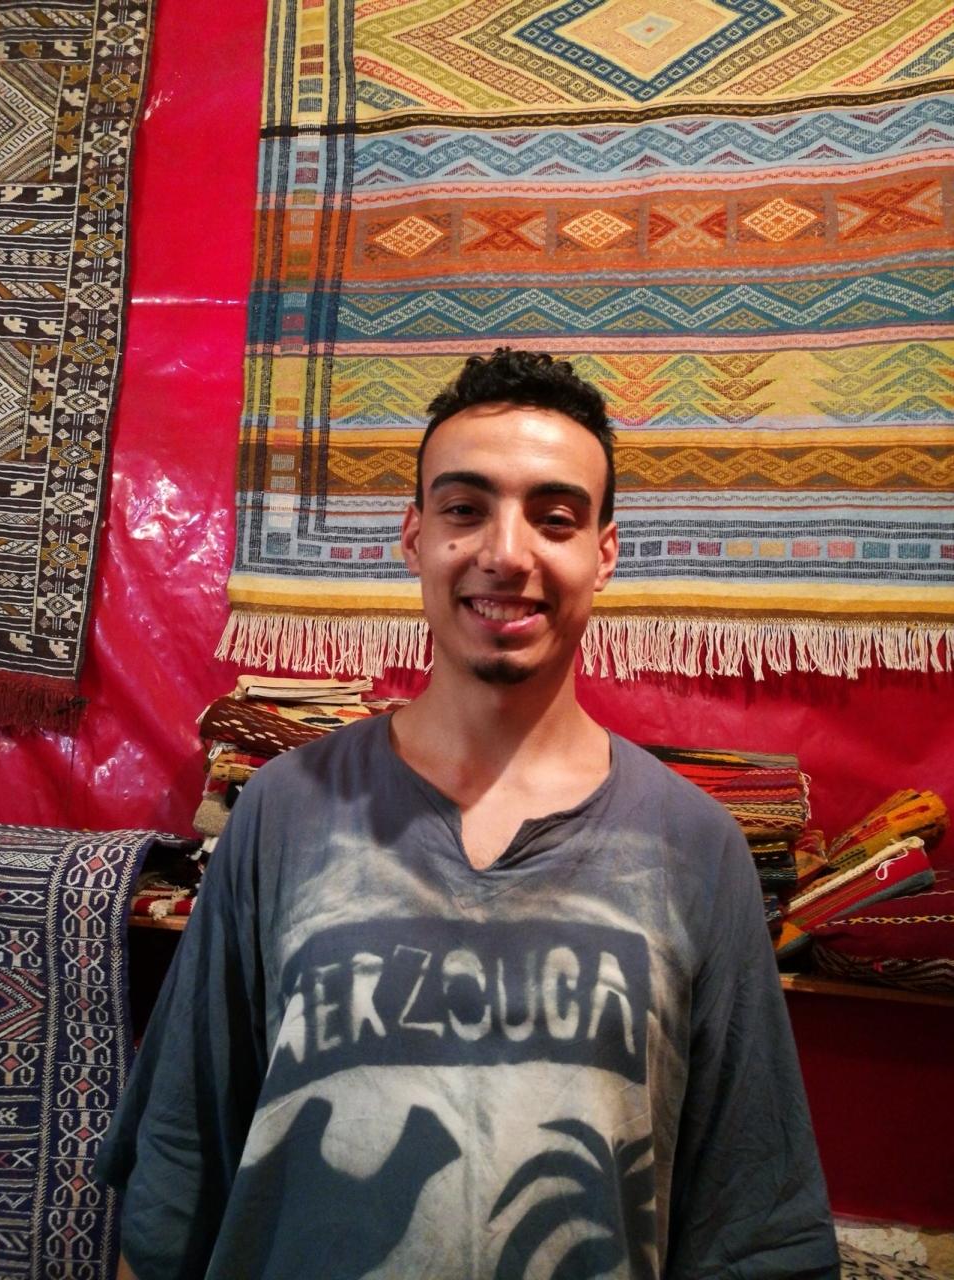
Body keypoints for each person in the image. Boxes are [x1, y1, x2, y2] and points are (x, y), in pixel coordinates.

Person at [98, 349, 839, 1279]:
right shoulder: (285, 811)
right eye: (463, 510)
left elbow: (751, 1226)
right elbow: (177, 1176)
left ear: (603, 554)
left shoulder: (692, 847)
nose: (505, 553)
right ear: (414, 537)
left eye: (554, 518)